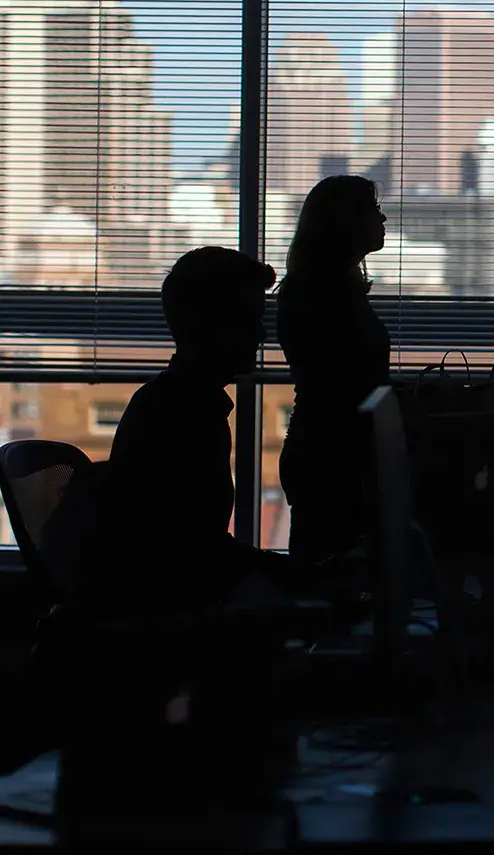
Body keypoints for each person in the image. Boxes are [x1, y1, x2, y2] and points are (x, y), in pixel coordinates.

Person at [77, 247, 295, 616]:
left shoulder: (174, 401)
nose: (260, 334)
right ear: (208, 326)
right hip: (168, 619)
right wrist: (293, 573)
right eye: (247, 320)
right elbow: (191, 553)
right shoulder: (183, 416)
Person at [276, 175, 390, 565]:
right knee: (327, 575)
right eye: (374, 210)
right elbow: (345, 384)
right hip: (329, 461)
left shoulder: (334, 289)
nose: (383, 218)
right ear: (347, 221)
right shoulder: (320, 294)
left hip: (333, 453)